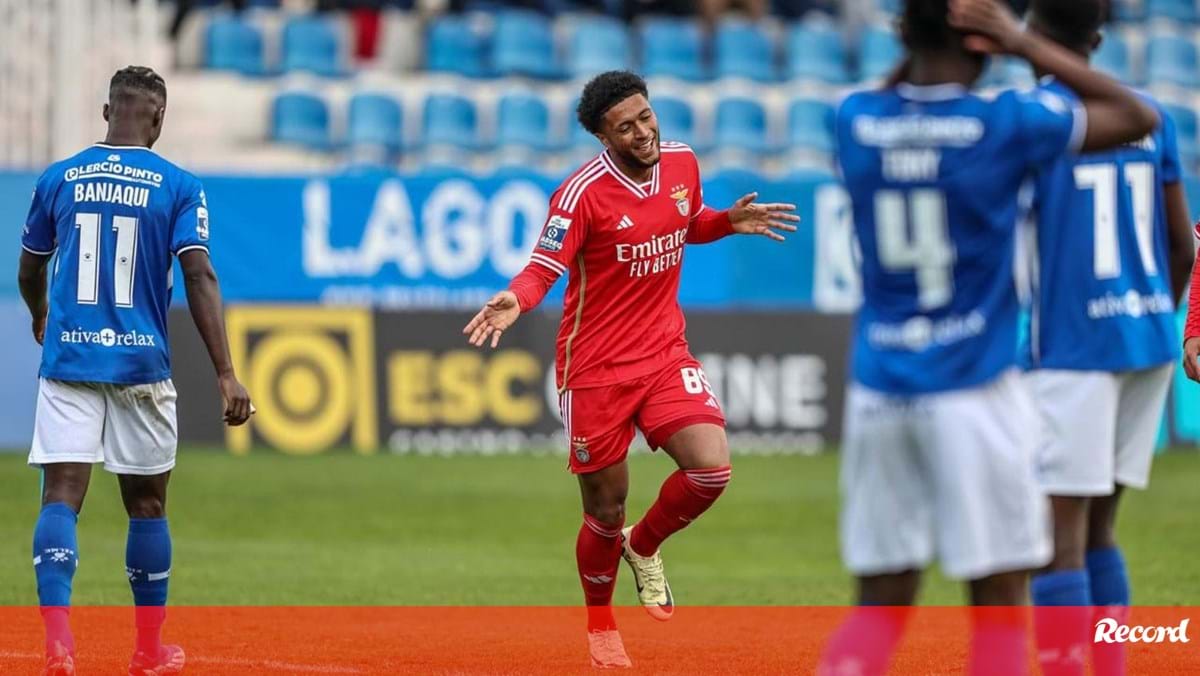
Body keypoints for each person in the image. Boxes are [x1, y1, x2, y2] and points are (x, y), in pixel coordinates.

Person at [818, 0, 1158, 673]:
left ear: (904, 37)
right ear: (981, 44)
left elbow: (898, 86)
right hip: (976, 388)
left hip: (880, 391)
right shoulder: (1003, 123)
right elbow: (1136, 114)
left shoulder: (853, 119)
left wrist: (921, 35)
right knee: (1000, 596)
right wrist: (1019, 42)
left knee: (880, 601)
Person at [462, 70, 798, 668]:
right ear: (603, 136)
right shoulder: (579, 194)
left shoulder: (683, 161)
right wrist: (516, 297)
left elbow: (686, 221)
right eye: (627, 126)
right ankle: (601, 625)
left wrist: (725, 223)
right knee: (605, 510)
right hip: (595, 369)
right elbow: (544, 266)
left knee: (711, 471)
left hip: (664, 352)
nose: (644, 132)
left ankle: (643, 547)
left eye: (646, 116)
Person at [17, 66, 254, 676]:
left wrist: (41, 313)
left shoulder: (58, 177)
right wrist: (225, 373)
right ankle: (148, 652)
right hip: (141, 364)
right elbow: (199, 275)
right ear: (159, 119)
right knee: (147, 506)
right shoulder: (178, 185)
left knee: (61, 497)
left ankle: (58, 644)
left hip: (69, 357)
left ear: (105, 113)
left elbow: (29, 267)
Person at [1020, 2, 1193, 674]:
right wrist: (1149, 312)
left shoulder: (1033, 119)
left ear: (1031, 36)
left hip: (1076, 346)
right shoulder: (1153, 116)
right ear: (1096, 39)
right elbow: (1182, 245)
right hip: (1145, 340)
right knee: (1100, 529)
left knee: (1057, 538)